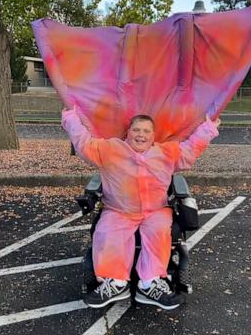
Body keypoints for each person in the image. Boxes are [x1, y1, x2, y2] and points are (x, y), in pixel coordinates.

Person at [62, 105, 220, 310]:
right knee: (107, 231)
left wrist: (208, 128)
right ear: (128, 132)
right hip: (119, 209)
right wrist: (70, 117)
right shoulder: (110, 149)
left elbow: (190, 150)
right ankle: (115, 283)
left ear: (153, 136)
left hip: (155, 210)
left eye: (146, 131)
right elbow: (83, 144)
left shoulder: (165, 152)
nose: (141, 134)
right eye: (136, 130)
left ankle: (149, 284)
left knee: (159, 231)